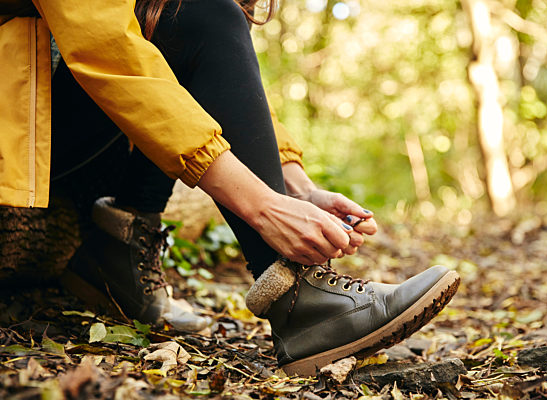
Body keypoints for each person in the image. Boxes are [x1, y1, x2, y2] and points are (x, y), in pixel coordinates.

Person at [0, 0, 460, 376]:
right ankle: (301, 303)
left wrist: (294, 186)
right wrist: (264, 207)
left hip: (55, 127)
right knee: (195, 16)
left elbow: (217, 76)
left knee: (185, 16)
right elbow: (107, 50)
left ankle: (117, 251)